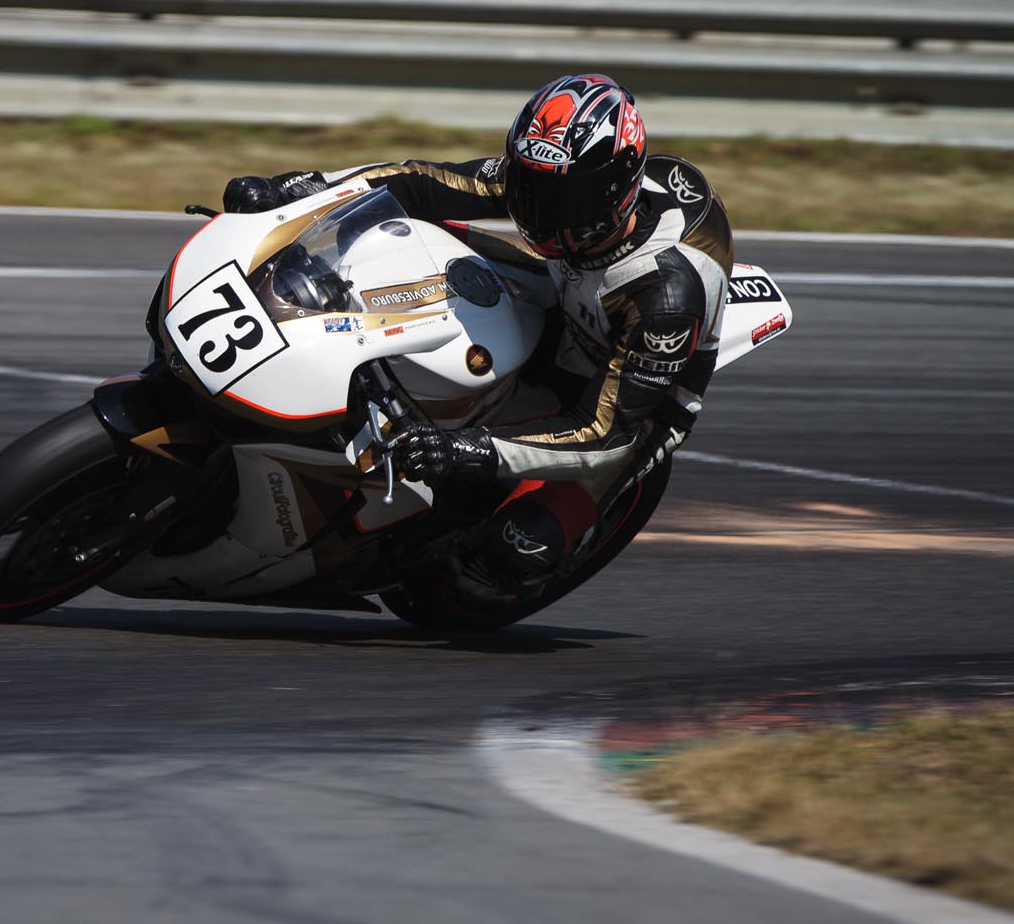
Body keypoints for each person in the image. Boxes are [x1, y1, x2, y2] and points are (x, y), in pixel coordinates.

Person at [222, 74, 733, 606]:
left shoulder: (664, 298)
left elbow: (604, 432)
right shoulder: (559, 179)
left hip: (625, 403)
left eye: (561, 198)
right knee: (403, 242)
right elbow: (424, 182)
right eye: (529, 187)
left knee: (511, 555)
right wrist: (302, 189)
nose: (536, 210)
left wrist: (466, 449)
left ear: (616, 191)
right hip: (563, 293)